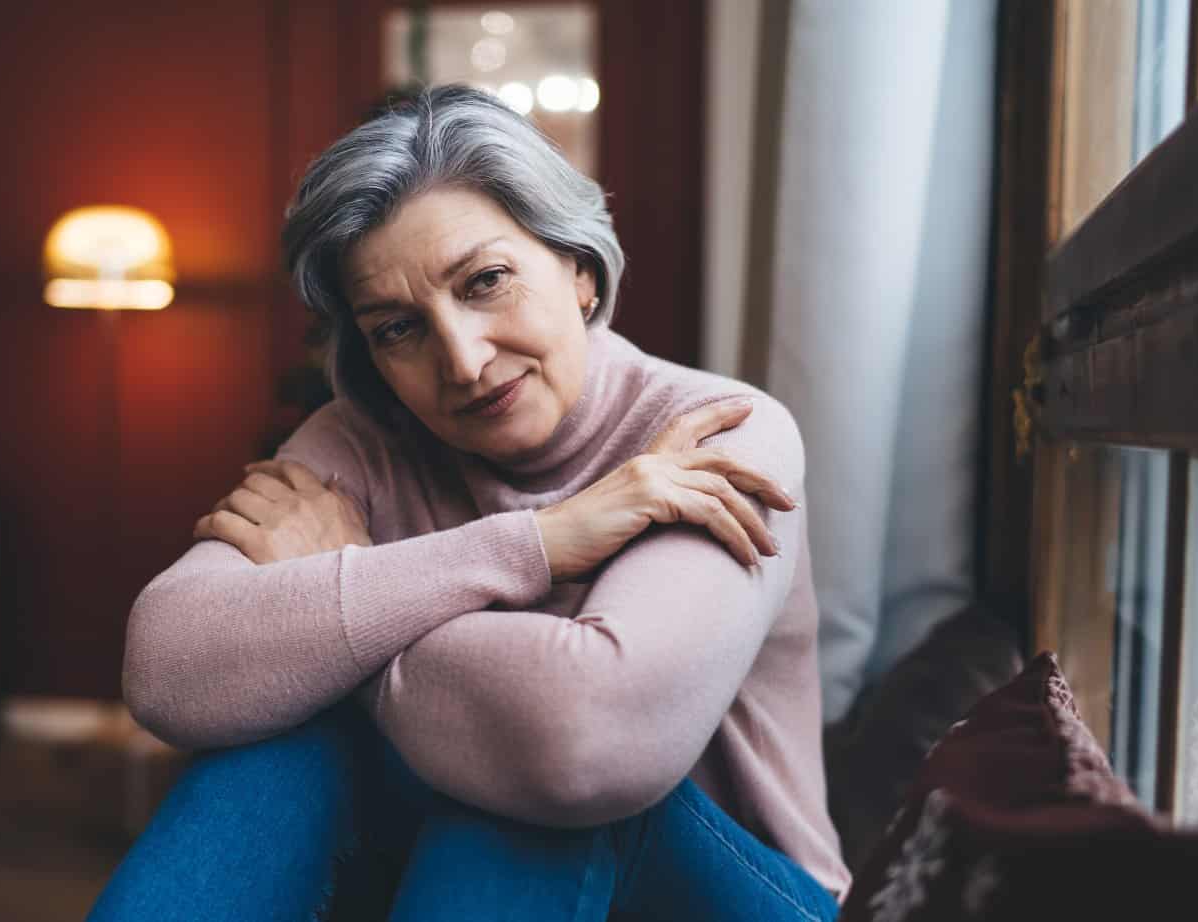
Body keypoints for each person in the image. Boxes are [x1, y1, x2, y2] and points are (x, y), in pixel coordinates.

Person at [87, 84, 850, 921]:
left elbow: (585, 741)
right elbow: (166, 669)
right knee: (274, 751)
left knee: (518, 789)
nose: (462, 360)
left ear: (579, 268)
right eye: (397, 328)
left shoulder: (721, 432)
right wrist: (537, 544)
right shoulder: (363, 439)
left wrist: (353, 586)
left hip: (740, 897)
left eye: (485, 282)